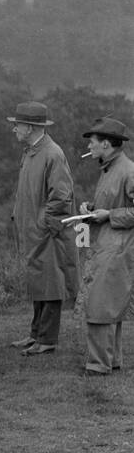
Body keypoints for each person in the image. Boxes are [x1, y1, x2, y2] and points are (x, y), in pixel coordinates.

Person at [6, 102, 77, 357]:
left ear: (31, 127)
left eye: (18, 124)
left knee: (50, 283)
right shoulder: (31, 152)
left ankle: (47, 339)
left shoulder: (52, 154)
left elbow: (61, 196)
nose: (14, 128)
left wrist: (43, 223)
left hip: (47, 233)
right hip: (34, 232)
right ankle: (35, 334)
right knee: (39, 282)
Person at [76, 117, 134, 376]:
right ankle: (111, 360)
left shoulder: (128, 171)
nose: (90, 144)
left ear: (107, 144)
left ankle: (98, 365)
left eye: (94, 141)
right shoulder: (110, 168)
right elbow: (110, 203)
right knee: (107, 303)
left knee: (101, 304)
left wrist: (109, 215)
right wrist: (90, 210)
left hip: (117, 246)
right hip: (106, 243)